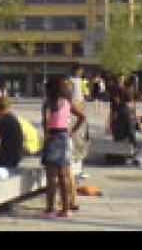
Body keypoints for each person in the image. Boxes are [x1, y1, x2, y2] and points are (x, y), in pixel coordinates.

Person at [41, 76, 85, 218]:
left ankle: (50, 208)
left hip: (53, 137)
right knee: (64, 175)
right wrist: (71, 131)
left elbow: (46, 121)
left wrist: (46, 137)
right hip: (65, 137)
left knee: (51, 176)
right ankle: (66, 209)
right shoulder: (67, 102)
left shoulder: (48, 103)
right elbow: (82, 117)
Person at [107, 89, 142, 169]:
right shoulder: (128, 111)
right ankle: (138, 159)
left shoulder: (120, 107)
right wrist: (134, 144)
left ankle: (139, 158)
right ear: (131, 99)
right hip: (123, 136)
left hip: (118, 134)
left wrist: (139, 128)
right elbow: (130, 130)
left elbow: (128, 125)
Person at [67, 64, 89, 181]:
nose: (81, 72)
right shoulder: (70, 81)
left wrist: (83, 103)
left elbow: (83, 96)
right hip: (75, 110)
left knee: (81, 140)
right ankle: (75, 170)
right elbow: (71, 97)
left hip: (80, 109)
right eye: (80, 71)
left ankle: (79, 168)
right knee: (75, 141)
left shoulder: (81, 81)